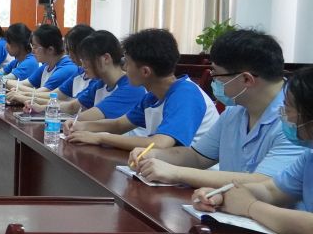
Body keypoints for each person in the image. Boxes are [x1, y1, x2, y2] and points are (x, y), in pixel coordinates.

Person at [132, 29, 303, 188]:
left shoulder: (297, 120)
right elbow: (197, 157)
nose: (214, 81)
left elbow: (265, 182)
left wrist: (176, 173)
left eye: (216, 74)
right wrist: (155, 155)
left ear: (246, 80)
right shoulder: (234, 112)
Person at [193, 66, 313, 234]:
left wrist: (250, 207)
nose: (283, 115)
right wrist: (222, 195)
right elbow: (272, 190)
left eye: (288, 109)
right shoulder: (309, 157)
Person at [65, 28, 218, 151]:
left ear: (145, 71)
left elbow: (160, 144)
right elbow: (119, 125)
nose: (124, 68)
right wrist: (82, 126)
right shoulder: (153, 96)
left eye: (128, 63)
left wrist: (100, 137)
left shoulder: (186, 94)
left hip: (199, 177)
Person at [54, 30, 146, 121]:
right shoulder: (101, 84)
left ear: (106, 58)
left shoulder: (131, 87)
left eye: (86, 59)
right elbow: (73, 107)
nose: (83, 65)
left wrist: (69, 120)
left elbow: (92, 116)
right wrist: (47, 106)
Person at [13, 24, 93, 111]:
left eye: (35, 47)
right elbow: (54, 95)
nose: (69, 55)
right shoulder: (79, 71)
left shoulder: (68, 69)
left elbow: (72, 105)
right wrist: (22, 95)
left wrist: (23, 96)